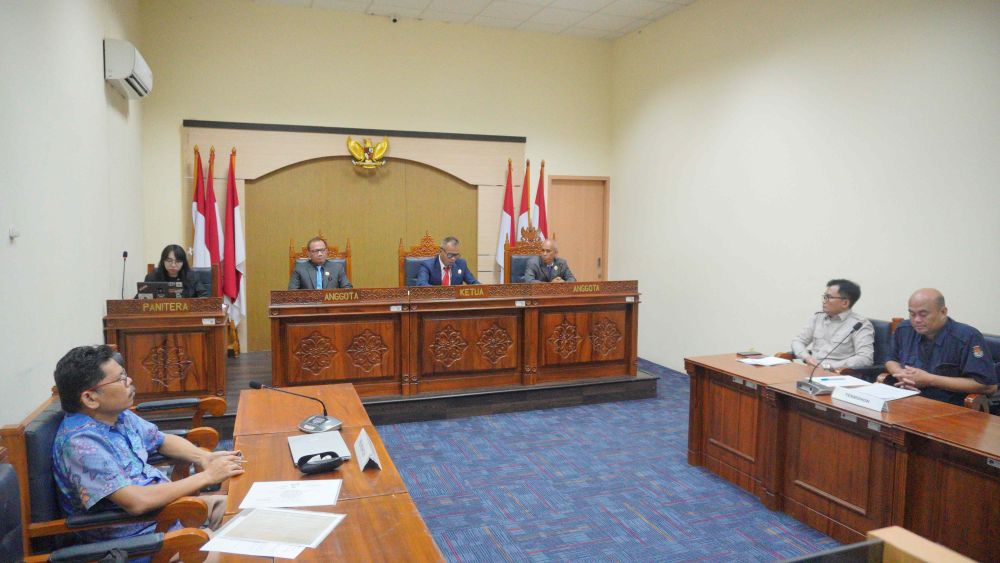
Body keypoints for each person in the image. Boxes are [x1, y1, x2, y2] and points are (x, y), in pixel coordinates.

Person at [52, 345, 243, 544]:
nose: (129, 381)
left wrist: (203, 457)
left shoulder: (116, 415)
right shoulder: (81, 444)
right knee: (241, 547)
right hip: (138, 541)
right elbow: (137, 502)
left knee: (243, 509)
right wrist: (207, 476)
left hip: (166, 514)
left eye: (125, 375)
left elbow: (161, 440)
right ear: (90, 398)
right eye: (120, 379)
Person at [881, 288, 997, 405]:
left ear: (943, 312)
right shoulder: (904, 329)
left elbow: (987, 386)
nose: (916, 320)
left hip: (947, 406)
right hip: (906, 399)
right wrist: (902, 374)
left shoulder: (967, 337)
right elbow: (891, 359)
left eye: (923, 314)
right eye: (912, 314)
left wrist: (931, 380)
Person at [791, 279, 874, 370]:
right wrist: (807, 357)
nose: (824, 301)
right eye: (824, 297)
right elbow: (798, 341)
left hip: (837, 374)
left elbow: (865, 359)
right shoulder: (818, 317)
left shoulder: (860, 324)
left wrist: (828, 367)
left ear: (845, 303)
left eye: (829, 297)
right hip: (811, 371)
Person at [145, 244, 209, 298]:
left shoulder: (192, 277)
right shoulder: (152, 278)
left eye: (178, 261)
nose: (173, 265)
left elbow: (204, 297)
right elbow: (142, 299)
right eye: (169, 261)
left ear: (183, 263)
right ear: (163, 261)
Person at [288, 236, 352, 289]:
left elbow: (347, 289)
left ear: (327, 251)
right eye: (316, 251)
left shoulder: (337, 268)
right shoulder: (299, 269)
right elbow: (292, 292)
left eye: (322, 250)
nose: (320, 254)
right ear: (308, 253)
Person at [415, 236, 480, 286]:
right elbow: (421, 285)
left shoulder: (461, 264)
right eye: (450, 255)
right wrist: (443, 293)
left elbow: (473, 282)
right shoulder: (427, 265)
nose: (453, 258)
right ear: (441, 251)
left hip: (455, 300)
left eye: (456, 255)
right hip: (435, 299)